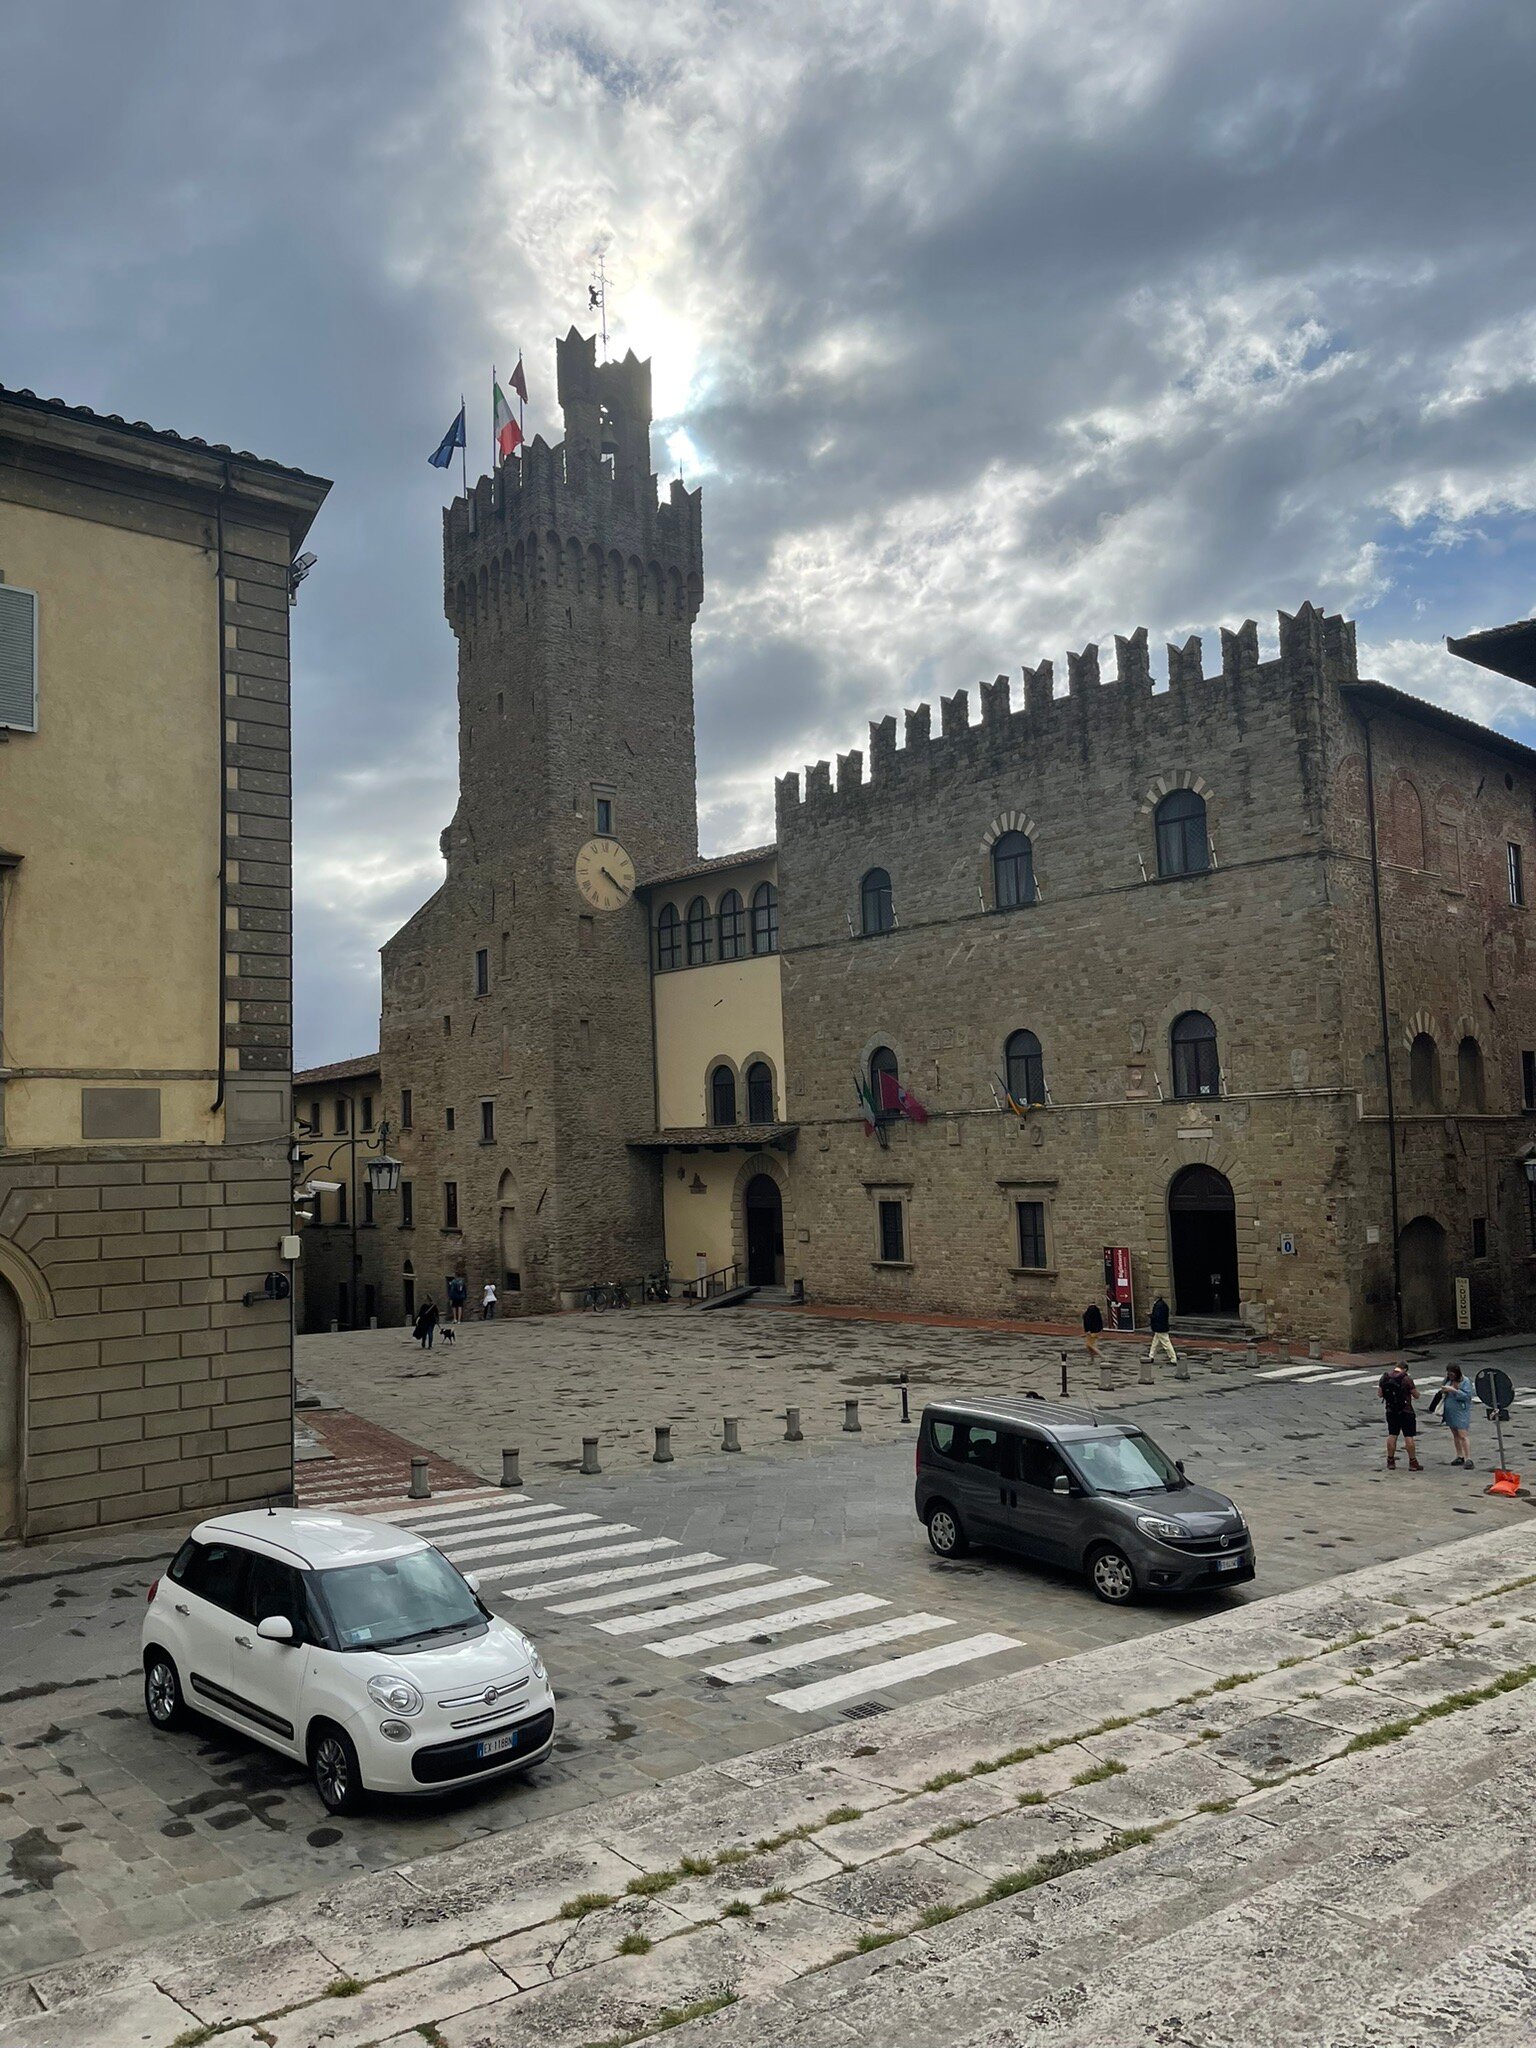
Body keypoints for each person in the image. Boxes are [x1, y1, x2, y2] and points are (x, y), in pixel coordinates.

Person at [1428, 1363, 1475, 1468]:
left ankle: (1468, 1458)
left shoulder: (1465, 1382)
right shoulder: (1448, 1380)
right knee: (1455, 1434)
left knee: (1463, 1434)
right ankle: (1460, 1455)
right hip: (1450, 1411)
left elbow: (1467, 1396)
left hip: (1460, 1411)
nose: (1450, 1376)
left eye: (1452, 1374)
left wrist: (1453, 1390)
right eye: (1449, 1374)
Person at [1378, 1362, 1422, 1471]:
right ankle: (1412, 1462)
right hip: (1406, 1411)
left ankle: (1390, 1461)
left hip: (1391, 1410)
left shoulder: (1385, 1377)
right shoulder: (1406, 1379)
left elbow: (1380, 1394)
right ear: (1405, 1369)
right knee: (1408, 1436)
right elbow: (1416, 1395)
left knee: (1392, 1434)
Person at [1145, 1294, 1182, 1383]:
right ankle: (1151, 1356)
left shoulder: (1159, 1306)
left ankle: (1173, 1358)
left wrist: (1150, 1315)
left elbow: (1157, 1316)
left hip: (1160, 1327)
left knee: (1166, 1343)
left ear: (1156, 1298)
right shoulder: (1163, 1304)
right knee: (1155, 1342)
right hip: (1161, 1327)